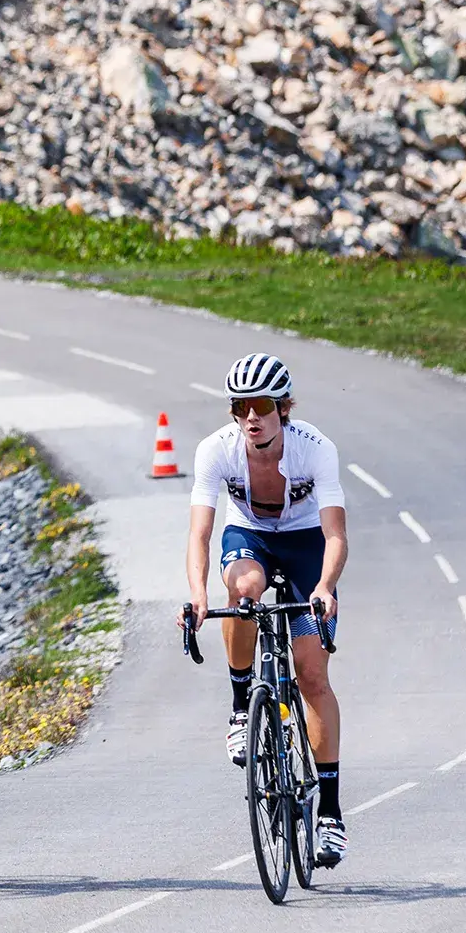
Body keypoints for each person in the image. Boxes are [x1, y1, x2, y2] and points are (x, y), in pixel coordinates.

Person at [182, 353, 350, 867]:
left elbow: (335, 534)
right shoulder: (216, 450)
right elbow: (200, 533)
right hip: (250, 536)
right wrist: (196, 594)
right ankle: (241, 707)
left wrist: (324, 586)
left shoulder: (315, 449)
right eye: (241, 407)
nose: (251, 417)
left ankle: (330, 814)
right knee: (245, 591)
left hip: (305, 543)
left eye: (261, 406)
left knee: (312, 676)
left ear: (283, 408)